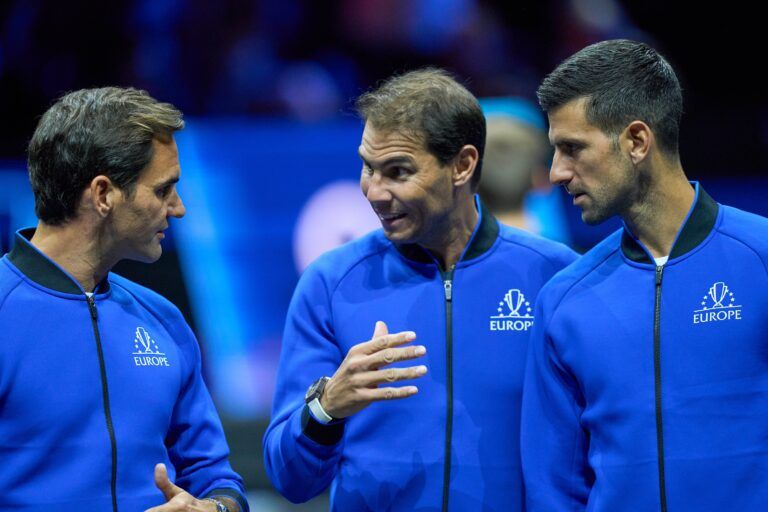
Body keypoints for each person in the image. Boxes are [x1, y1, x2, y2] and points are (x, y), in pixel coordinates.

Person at [263, 68, 577, 511]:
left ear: (463, 165)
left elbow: (595, 447)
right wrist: (326, 408)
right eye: (368, 167)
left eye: (397, 172)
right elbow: (289, 478)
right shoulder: (330, 283)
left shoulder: (554, 277)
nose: (373, 192)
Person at [521, 39, 768, 512]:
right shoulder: (563, 300)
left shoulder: (761, 259)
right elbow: (553, 489)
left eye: (572, 148)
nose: (556, 172)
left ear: (636, 141)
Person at [0, 87, 248, 512]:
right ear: (103, 195)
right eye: (163, 189)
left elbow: (217, 480)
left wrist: (213, 509)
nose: (179, 207)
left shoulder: (164, 320)